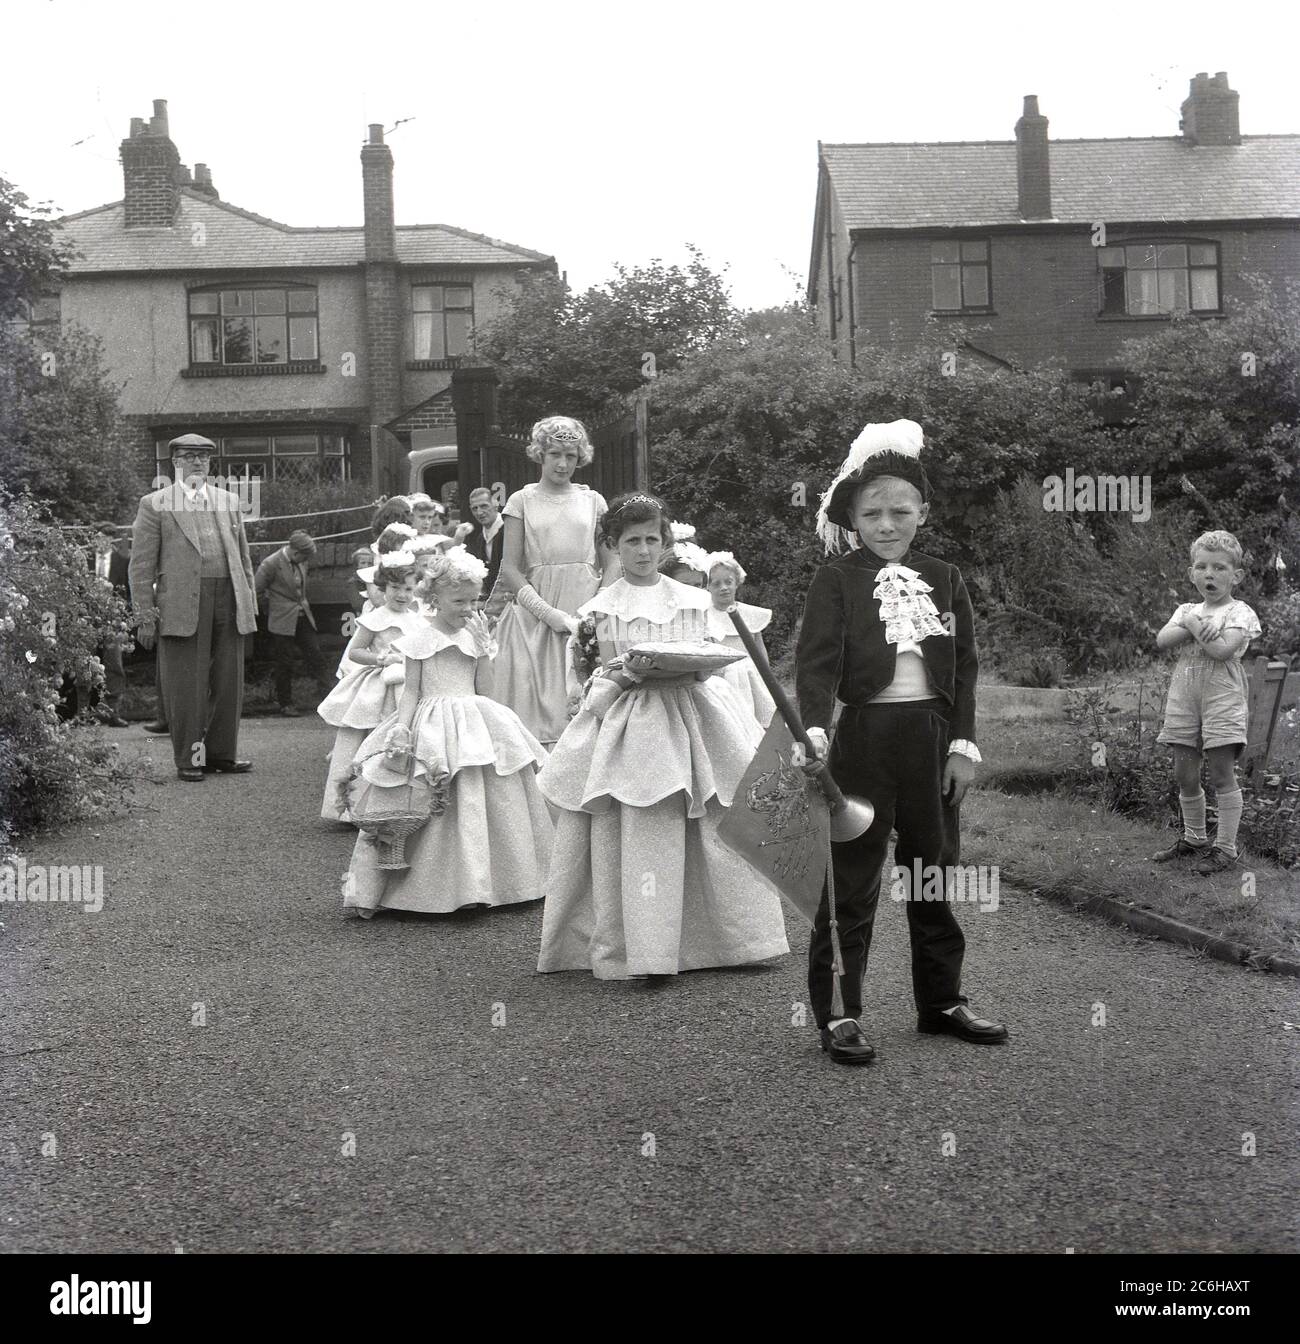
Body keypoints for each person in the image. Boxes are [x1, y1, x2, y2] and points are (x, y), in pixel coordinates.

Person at [796, 420, 1006, 1065]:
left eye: (899, 512)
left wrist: (962, 747)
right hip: (863, 740)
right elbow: (816, 664)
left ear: (922, 513)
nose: (886, 525)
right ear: (853, 518)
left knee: (932, 873)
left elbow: (965, 668)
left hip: (931, 741)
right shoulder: (837, 579)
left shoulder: (944, 578)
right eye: (872, 514)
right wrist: (813, 729)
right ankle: (839, 1012)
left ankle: (940, 1002)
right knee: (853, 883)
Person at [536, 492, 790, 980]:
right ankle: (647, 948)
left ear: (666, 542)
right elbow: (591, 676)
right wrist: (624, 675)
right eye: (631, 541)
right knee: (643, 821)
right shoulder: (599, 610)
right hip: (634, 720)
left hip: (693, 712)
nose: (643, 550)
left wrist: (692, 666)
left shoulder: (692, 600)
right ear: (612, 545)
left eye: (652, 539)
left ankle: (730, 939)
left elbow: (709, 661)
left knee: (710, 814)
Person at [342, 547, 552, 918]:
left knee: (486, 797)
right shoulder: (421, 639)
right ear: (435, 599)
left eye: (474, 599)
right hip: (432, 720)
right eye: (459, 600)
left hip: (474, 718)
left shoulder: (475, 634)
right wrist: (402, 728)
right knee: (432, 799)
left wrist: (485, 649)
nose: (469, 608)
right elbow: (411, 691)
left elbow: (485, 690)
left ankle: (488, 883)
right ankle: (427, 887)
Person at [129, 433, 258, 782]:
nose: (198, 462)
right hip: (181, 603)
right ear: (175, 463)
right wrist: (144, 617)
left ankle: (220, 756)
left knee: (228, 681)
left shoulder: (229, 501)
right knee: (186, 683)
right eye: (189, 456)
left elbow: (243, 558)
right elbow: (140, 567)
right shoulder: (155, 503)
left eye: (203, 457)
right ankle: (189, 758)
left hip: (229, 597)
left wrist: (250, 604)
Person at [492, 416, 617, 746]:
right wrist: (550, 615)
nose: (563, 464)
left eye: (571, 456)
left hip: (586, 612)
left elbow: (612, 561)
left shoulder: (593, 501)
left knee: (592, 706)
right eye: (555, 455)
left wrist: (594, 610)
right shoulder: (522, 501)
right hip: (537, 616)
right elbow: (509, 568)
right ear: (540, 455)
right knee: (538, 714)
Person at [1152, 530, 1261, 875]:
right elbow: (1162, 639)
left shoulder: (1239, 612)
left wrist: (1194, 627)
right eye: (1202, 567)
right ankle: (1195, 837)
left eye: (1219, 568)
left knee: (1220, 773)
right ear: (1191, 573)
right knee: (1184, 773)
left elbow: (1221, 649)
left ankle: (1226, 849)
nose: (1209, 574)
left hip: (1222, 699)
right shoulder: (1186, 609)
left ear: (1236, 575)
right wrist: (1194, 622)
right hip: (1184, 698)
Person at [319, 551, 424, 822]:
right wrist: (381, 658)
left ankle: (394, 805)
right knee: (366, 738)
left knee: (402, 736)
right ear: (383, 588)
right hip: (378, 684)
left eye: (408, 589)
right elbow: (355, 652)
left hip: (407, 684)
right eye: (395, 588)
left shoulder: (416, 618)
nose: (402, 595)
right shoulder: (377, 617)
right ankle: (353, 808)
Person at [254, 530, 332, 717]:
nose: (306, 560)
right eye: (305, 556)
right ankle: (285, 704)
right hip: (282, 621)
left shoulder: (301, 560)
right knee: (284, 663)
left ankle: (329, 700)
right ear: (296, 552)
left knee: (316, 656)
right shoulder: (270, 564)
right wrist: (268, 611)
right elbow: (256, 590)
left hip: (303, 616)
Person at [704, 551, 777, 730]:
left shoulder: (750, 614)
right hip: (721, 678)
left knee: (757, 723)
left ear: (737, 582)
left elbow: (759, 649)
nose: (724, 588)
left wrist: (767, 677)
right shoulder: (705, 616)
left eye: (728, 582)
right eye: (716, 584)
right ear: (708, 587)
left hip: (750, 675)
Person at [88, 521, 130, 726]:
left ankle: (112, 713)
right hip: (85, 619)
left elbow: (126, 593)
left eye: (103, 538)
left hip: (112, 620)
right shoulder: (85, 561)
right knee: (84, 664)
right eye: (96, 538)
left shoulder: (122, 562)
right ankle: (84, 713)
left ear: (111, 540)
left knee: (114, 665)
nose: (98, 542)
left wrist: (119, 614)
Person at [463, 487, 505, 597]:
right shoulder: (481, 538)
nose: (479, 512)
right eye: (474, 508)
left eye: (484, 506)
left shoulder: (509, 530)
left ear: (495, 504)